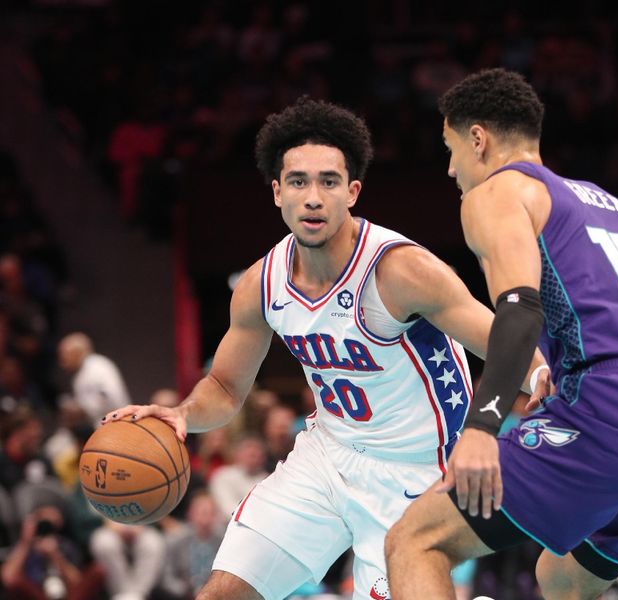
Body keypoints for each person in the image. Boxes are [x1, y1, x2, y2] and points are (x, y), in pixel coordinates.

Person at [102, 96, 549, 600]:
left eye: (329, 182)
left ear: (352, 191)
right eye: (298, 181)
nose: (313, 197)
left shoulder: (400, 272)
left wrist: (540, 379)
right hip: (326, 457)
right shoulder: (260, 285)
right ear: (276, 192)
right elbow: (225, 389)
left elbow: (505, 338)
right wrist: (181, 413)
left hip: (415, 475)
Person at [384, 68, 618, 599]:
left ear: (478, 138)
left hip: (617, 410)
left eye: (450, 149)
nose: (450, 169)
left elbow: (520, 310)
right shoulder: (612, 209)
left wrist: (480, 428)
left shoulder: (496, 194)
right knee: (560, 578)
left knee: (415, 540)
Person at [58, 332, 130, 425]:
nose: (62, 361)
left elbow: (110, 398)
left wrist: (82, 409)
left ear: (76, 352)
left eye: (65, 354)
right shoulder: (81, 372)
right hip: (100, 425)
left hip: (116, 424)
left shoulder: (98, 366)